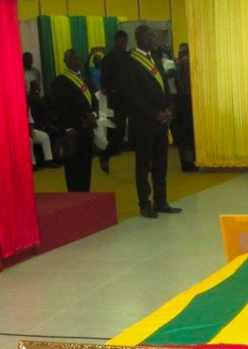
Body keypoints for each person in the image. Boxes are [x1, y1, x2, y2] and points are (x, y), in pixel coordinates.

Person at [123, 25, 181, 218]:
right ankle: (144, 203)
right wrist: (155, 113)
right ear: (138, 38)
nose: (151, 39)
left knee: (160, 164)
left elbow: (164, 87)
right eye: (147, 36)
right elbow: (133, 96)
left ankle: (160, 200)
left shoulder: (155, 60)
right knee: (143, 165)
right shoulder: (131, 63)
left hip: (161, 122)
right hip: (143, 122)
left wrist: (169, 108)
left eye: (151, 36)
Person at [52, 49, 98, 192]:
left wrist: (94, 114)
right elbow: (59, 108)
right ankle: (74, 197)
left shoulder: (85, 79)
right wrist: (67, 128)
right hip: (72, 132)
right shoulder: (59, 81)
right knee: (72, 168)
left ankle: (85, 195)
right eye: (72, 59)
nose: (75, 61)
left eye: (77, 59)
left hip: (87, 129)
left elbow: (94, 101)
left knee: (86, 167)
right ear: (65, 62)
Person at [100, 30, 130, 172]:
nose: (124, 44)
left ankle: (145, 161)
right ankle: (105, 155)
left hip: (131, 98)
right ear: (116, 41)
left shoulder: (129, 56)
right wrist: (111, 90)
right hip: (118, 99)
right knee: (120, 131)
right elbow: (104, 82)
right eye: (122, 41)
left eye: (126, 41)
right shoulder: (109, 58)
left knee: (138, 129)